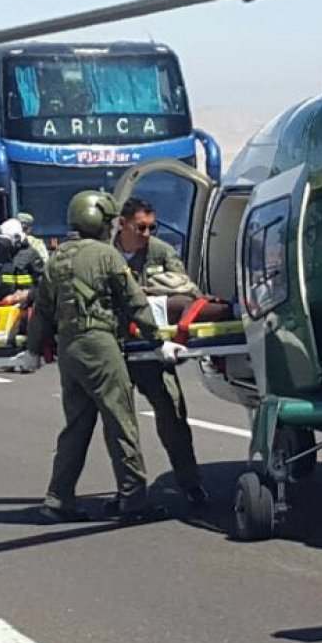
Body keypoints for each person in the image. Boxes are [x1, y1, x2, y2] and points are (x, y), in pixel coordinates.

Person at [19, 190, 185, 523]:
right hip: (99, 343)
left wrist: (33, 350)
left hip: (70, 348)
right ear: (98, 221)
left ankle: (58, 499)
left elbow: (43, 311)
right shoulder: (107, 257)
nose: (111, 228)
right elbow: (135, 301)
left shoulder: (57, 258)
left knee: (77, 426)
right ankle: (134, 499)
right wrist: (158, 341)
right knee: (121, 421)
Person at [115, 196, 207, 506]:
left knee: (172, 412)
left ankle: (190, 483)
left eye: (152, 227)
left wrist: (146, 293)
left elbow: (185, 289)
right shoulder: (106, 253)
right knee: (118, 423)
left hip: (154, 347)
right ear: (123, 224)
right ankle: (130, 492)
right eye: (141, 227)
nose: (146, 234)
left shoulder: (161, 253)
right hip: (115, 350)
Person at [0, 217, 45, 307]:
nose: (3, 243)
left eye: (6, 241)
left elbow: (43, 284)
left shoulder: (31, 255)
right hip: (2, 307)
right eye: (2, 240)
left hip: (26, 309)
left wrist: (27, 295)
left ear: (16, 239)